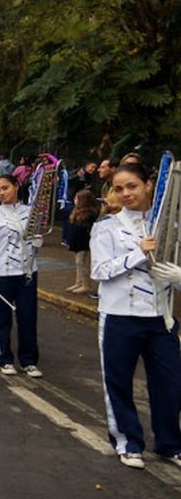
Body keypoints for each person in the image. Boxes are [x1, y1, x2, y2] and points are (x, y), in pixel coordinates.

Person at [90, 163, 181, 470]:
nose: (126, 194)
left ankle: (169, 443)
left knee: (170, 383)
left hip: (160, 317)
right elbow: (99, 270)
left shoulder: (170, 226)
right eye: (119, 188)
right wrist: (138, 254)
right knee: (118, 381)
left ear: (148, 186)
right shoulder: (106, 227)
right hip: (119, 315)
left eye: (132, 186)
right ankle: (128, 441)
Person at [0, 175, 42, 377]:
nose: (2, 193)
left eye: (5, 188)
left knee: (28, 317)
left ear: (16, 186)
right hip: (3, 274)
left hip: (27, 273)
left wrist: (38, 239)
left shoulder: (30, 212)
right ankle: (4, 358)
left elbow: (35, 238)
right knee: (3, 319)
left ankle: (29, 361)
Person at [66, 189, 99, 295]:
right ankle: (78, 282)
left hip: (83, 242)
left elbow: (87, 230)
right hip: (76, 241)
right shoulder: (76, 211)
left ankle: (86, 284)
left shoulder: (89, 214)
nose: (74, 200)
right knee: (78, 262)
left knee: (81, 262)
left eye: (77, 198)